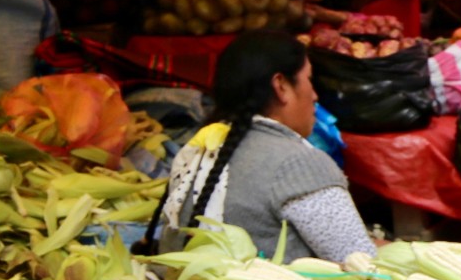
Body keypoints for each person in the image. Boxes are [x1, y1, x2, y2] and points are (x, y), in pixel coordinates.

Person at [155, 31, 374, 263]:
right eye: (309, 80)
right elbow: (361, 264)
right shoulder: (297, 164)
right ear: (281, 86)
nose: (315, 95)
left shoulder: (199, 149)